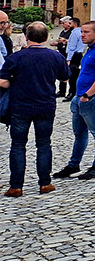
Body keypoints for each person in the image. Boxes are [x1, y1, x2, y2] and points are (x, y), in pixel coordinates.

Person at [1, 22, 71, 197]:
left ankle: (16, 186)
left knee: (18, 145)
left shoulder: (16, 58)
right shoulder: (55, 57)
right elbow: (64, 78)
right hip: (46, 104)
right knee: (44, 144)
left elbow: (2, 81)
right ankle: (45, 183)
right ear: (47, 38)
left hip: (20, 106)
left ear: (26, 36)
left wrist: (14, 83)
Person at [53, 20, 95, 181]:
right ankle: (74, 165)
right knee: (79, 133)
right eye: (82, 32)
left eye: (86, 32)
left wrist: (88, 95)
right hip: (80, 96)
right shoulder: (91, 49)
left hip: (94, 98)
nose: (82, 35)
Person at [51, 16, 73, 98]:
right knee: (61, 72)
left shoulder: (71, 32)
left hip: (67, 53)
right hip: (61, 53)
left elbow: (70, 42)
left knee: (68, 72)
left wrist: (64, 41)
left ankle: (70, 91)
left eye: (64, 23)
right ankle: (61, 91)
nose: (62, 25)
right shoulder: (63, 31)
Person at [64, 17, 84, 102]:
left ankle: (72, 93)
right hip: (80, 54)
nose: (69, 25)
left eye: (70, 23)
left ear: (75, 23)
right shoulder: (81, 32)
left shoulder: (74, 33)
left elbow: (72, 47)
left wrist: (69, 59)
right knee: (77, 75)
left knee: (72, 76)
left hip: (74, 55)